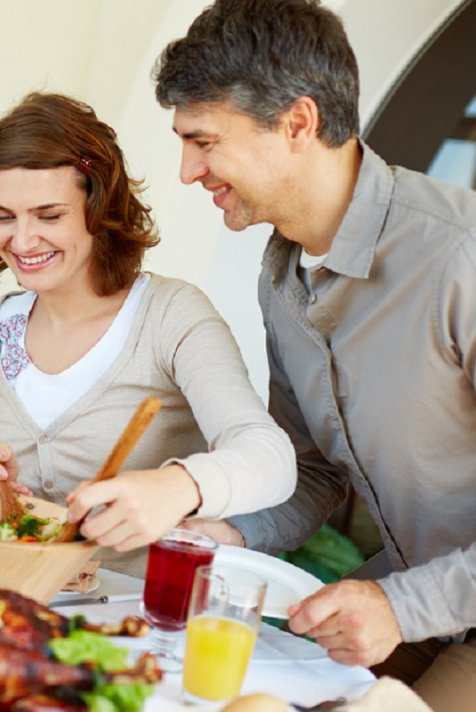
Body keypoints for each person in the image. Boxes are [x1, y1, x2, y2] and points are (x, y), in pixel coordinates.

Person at [153, 0, 476, 707]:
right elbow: (313, 469)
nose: (187, 170)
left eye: (204, 141)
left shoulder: (461, 257)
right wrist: (228, 530)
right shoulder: (282, 280)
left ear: (297, 123)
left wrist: (401, 609)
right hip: (412, 587)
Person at [0, 92, 296, 573]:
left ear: (98, 207)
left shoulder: (171, 316)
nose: (22, 241)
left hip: (134, 626)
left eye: (49, 216)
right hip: (5, 603)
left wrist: (176, 487)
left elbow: (269, 457)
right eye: (3, 216)